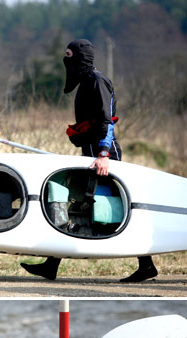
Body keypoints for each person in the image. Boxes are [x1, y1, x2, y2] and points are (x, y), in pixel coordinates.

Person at [21, 38, 158, 284]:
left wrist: (104, 155)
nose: (67, 62)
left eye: (70, 57)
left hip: (105, 156)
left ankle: (146, 264)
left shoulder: (97, 81)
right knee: (77, 205)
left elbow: (107, 122)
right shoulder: (86, 82)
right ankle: (52, 265)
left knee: (115, 210)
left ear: (80, 59)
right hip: (92, 154)